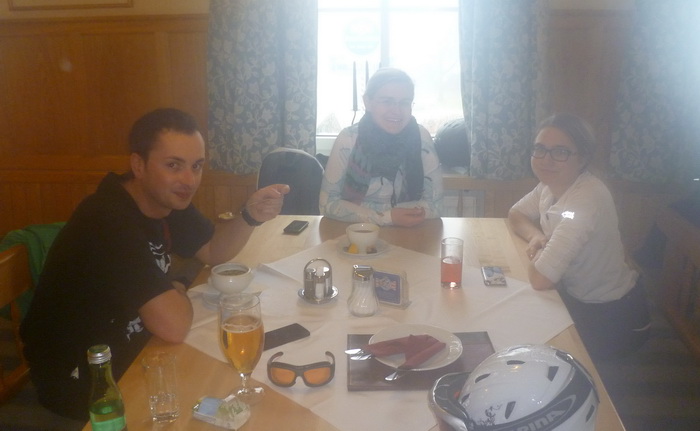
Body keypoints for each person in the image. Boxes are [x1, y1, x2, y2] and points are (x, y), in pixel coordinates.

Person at [19, 108, 289, 420]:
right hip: (84, 379)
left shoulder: (164, 199)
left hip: (137, 345)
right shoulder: (107, 221)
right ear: (139, 165)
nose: (189, 180)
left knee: (237, 387)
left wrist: (250, 216)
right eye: (174, 165)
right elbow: (173, 326)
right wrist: (176, 285)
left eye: (196, 166)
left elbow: (213, 250)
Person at [508, 113, 650, 361]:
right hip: (576, 300)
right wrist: (536, 236)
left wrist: (542, 252)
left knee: (532, 349)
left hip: (614, 317)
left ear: (582, 158)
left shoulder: (587, 198)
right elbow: (516, 213)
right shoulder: (549, 185)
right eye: (540, 149)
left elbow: (541, 279)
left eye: (560, 152)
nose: (546, 159)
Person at [319, 68, 443, 227]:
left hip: (409, 233)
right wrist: (387, 217)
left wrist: (382, 215)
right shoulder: (348, 139)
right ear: (367, 102)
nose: (396, 111)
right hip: (356, 233)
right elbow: (327, 203)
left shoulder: (421, 137)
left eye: (404, 102)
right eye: (387, 101)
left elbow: (436, 206)